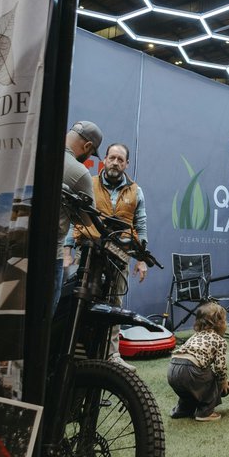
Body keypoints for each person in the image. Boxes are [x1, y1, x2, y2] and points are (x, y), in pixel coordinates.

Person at [67, 142, 149, 369]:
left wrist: (141, 258)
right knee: (81, 301)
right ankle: (75, 352)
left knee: (115, 305)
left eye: (120, 160)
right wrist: (67, 250)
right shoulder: (88, 183)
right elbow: (73, 217)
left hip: (120, 255)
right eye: (112, 158)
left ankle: (112, 356)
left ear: (127, 164)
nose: (115, 162)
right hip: (88, 251)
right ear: (104, 159)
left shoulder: (135, 190)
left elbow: (140, 225)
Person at [54, 121, 100, 302]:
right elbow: (88, 221)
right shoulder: (79, 172)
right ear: (88, 146)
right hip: (51, 256)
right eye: (90, 152)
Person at [168, 302, 229, 422]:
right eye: (225, 320)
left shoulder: (195, 336)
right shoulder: (220, 341)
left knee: (187, 391)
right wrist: (223, 381)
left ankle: (182, 410)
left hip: (172, 368)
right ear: (219, 324)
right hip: (191, 369)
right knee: (212, 380)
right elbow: (220, 367)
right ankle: (204, 412)